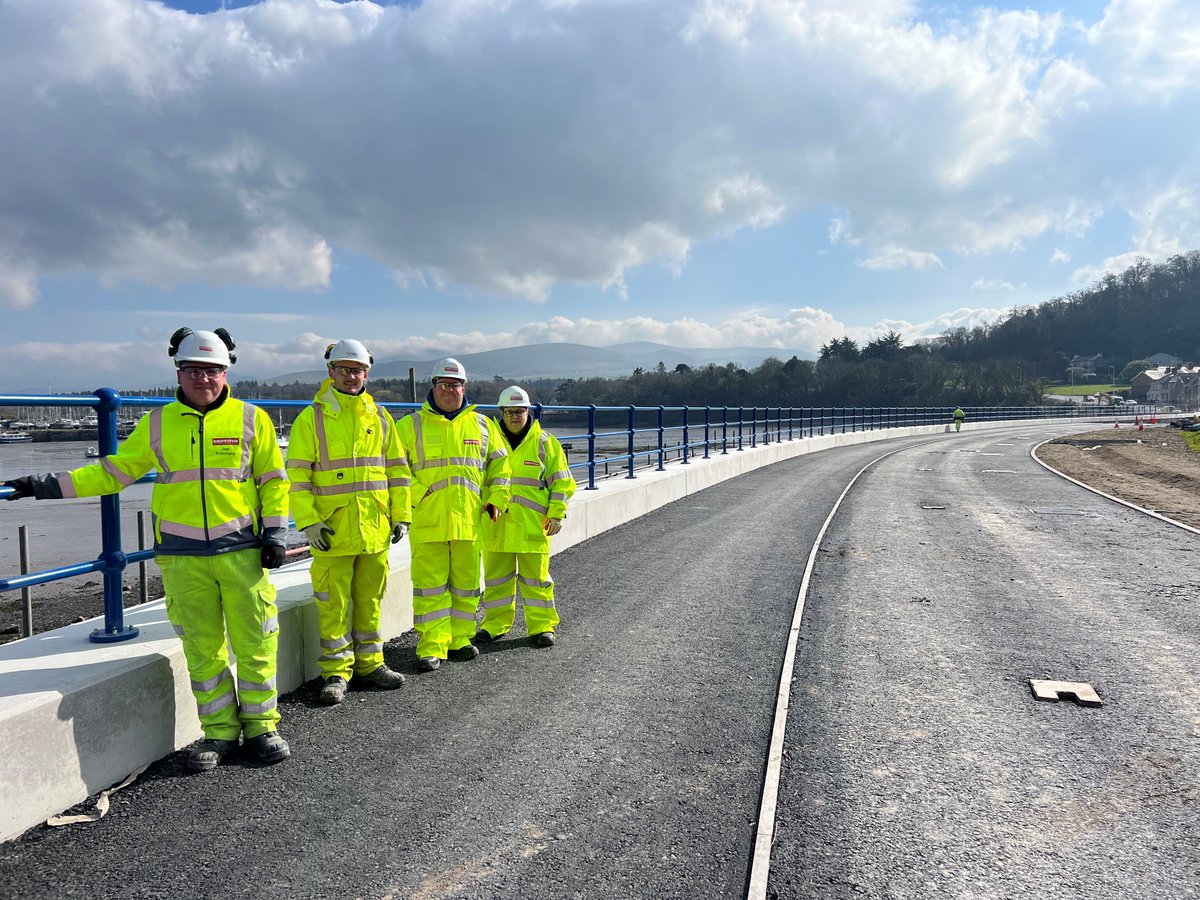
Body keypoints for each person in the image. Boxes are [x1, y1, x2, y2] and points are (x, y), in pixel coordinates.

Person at [3, 328, 291, 771]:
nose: (203, 379)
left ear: (226, 371)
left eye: (212, 370)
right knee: (202, 648)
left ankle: (261, 727)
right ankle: (219, 733)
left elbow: (272, 480)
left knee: (256, 643)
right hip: (182, 558)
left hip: (242, 553)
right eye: (193, 370)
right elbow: (112, 473)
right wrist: (41, 485)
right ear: (179, 371)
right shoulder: (156, 424)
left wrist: (274, 534)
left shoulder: (252, 418)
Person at [286, 340, 408, 705]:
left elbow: (398, 472)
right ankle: (337, 673)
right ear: (331, 373)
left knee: (370, 599)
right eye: (344, 369)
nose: (351, 376)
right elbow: (297, 478)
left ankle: (371, 664)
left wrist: (401, 516)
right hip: (332, 531)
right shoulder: (313, 418)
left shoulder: (381, 417)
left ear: (366, 374)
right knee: (333, 603)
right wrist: (308, 523)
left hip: (374, 529)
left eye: (357, 370)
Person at [394, 358, 510, 671]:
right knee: (430, 587)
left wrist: (497, 498)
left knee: (466, 585)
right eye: (444, 385)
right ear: (433, 387)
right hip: (428, 520)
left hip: (469, 521)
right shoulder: (409, 426)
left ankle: (460, 639)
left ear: (464, 388)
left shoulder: (484, 426)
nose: (450, 390)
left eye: (456, 385)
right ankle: (432, 646)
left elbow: (500, 467)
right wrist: (420, 495)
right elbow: (395, 469)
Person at [478, 386, 575, 647]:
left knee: (537, 581)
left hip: (534, 526)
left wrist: (556, 515)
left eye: (520, 411)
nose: (515, 416)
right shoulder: (488, 441)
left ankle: (542, 626)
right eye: (509, 412)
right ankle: (494, 625)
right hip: (496, 524)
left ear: (528, 411)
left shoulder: (545, 443)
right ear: (501, 412)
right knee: (497, 581)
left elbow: (562, 483)